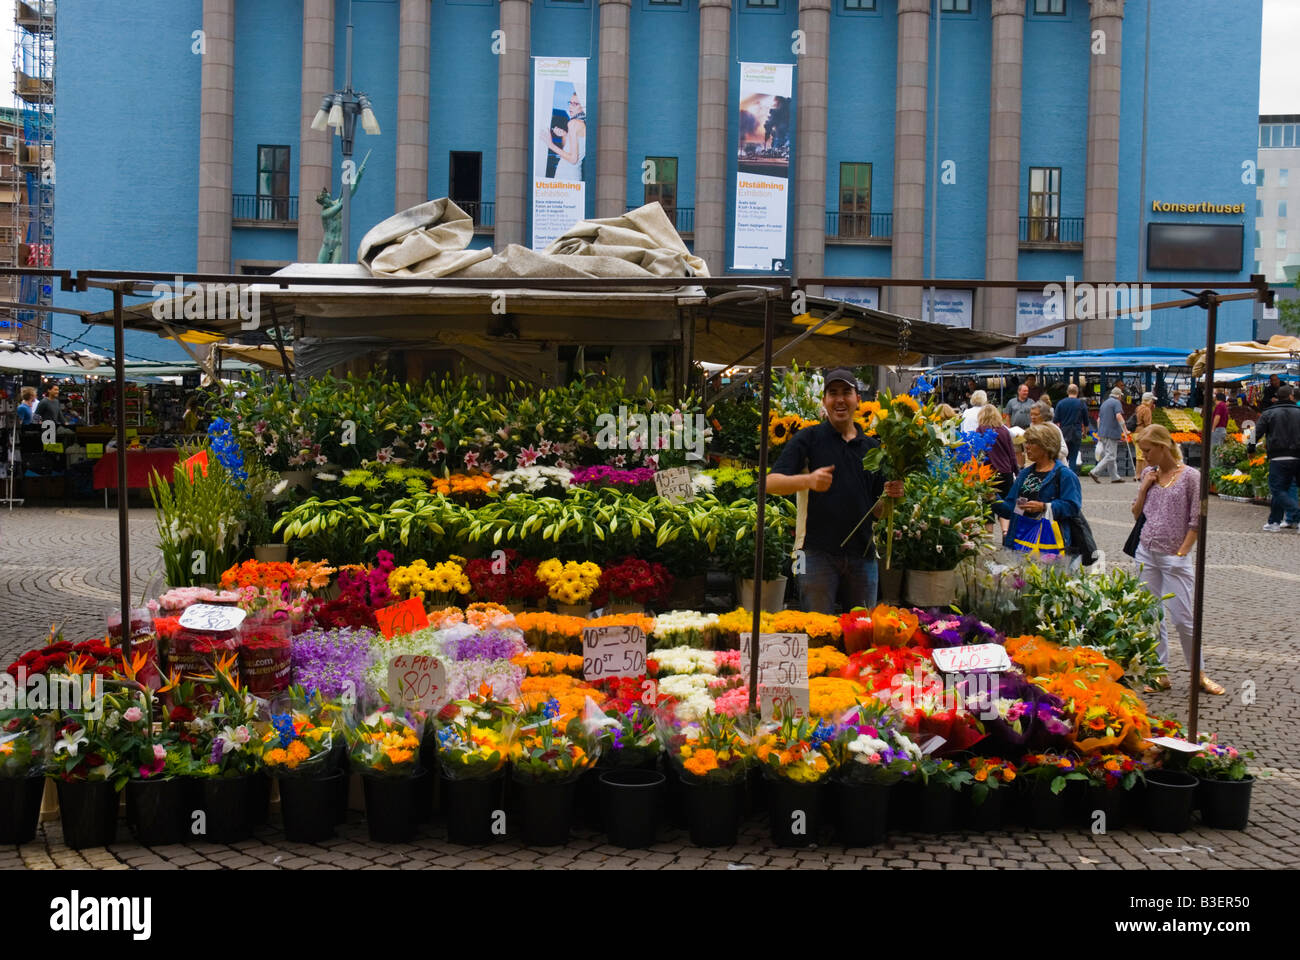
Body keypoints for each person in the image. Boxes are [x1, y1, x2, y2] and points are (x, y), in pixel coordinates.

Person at [767, 368, 904, 614]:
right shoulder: (808, 438)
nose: (839, 399)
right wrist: (807, 480)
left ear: (857, 400)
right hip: (812, 553)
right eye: (833, 393)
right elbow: (769, 483)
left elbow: (878, 513)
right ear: (825, 401)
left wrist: (890, 497)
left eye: (846, 392)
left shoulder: (872, 447)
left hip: (863, 556)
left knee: (862, 634)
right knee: (818, 633)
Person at [1130, 425, 1224, 696]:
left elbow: (1196, 521)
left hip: (1174, 555)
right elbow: (1137, 514)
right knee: (1150, 615)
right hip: (1146, 551)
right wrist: (1144, 488)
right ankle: (1159, 672)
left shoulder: (1190, 477)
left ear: (1162, 447)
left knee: (1183, 618)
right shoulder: (1149, 474)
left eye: (1147, 450)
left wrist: (1182, 553)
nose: (1144, 456)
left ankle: (1199, 673)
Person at [992, 424, 1084, 556]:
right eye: (1027, 442)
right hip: (1020, 540)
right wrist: (992, 497)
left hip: (1049, 542)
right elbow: (1010, 509)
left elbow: (1072, 506)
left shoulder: (1064, 475)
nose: (1027, 447)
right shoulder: (1024, 474)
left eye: (1032, 443)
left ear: (1047, 446)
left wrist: (1044, 507)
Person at [1251, 383, 1300, 531]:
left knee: (1277, 489)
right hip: (1297, 457)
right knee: (1284, 488)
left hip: (1278, 457)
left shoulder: (1268, 413)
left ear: (1277, 397)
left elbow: (1255, 433)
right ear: (1291, 396)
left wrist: (1250, 448)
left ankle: (1296, 514)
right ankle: (1274, 521)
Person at [978, 403, 1017, 533]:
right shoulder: (1004, 431)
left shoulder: (980, 430)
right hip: (1005, 471)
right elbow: (1011, 454)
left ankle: (989, 535)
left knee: (989, 505)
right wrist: (1016, 471)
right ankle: (1005, 532)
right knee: (1005, 505)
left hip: (988, 472)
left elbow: (978, 454)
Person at [543, 92, 587, 181]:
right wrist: (564, 135)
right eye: (570, 103)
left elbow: (573, 159)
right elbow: (567, 150)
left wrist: (550, 144)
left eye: (575, 104)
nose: (570, 106)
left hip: (567, 175)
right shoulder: (582, 123)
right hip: (572, 174)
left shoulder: (573, 123)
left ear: (583, 107)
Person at [1091, 386, 1128, 483]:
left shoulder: (1104, 403)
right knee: (1111, 455)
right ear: (1119, 395)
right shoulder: (1116, 403)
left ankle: (1114, 477)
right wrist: (1125, 429)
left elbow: (1098, 419)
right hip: (1111, 432)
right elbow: (1118, 415)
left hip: (1102, 432)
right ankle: (1095, 472)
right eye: (1121, 396)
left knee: (1109, 455)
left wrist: (1099, 431)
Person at [1054, 383, 1088, 475]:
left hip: (1064, 432)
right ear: (1077, 392)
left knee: (1063, 456)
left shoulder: (1061, 403)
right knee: (1073, 456)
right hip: (1076, 432)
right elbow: (1086, 422)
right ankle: (1071, 476)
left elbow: (1056, 420)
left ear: (1067, 392)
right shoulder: (1081, 404)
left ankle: (1061, 475)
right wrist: (1084, 433)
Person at [1029, 401, 1068, 466]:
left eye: (1036, 414)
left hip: (1056, 468)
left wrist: (1047, 454)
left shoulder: (1052, 429)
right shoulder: (1032, 428)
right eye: (1031, 414)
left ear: (1044, 415)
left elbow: (1064, 451)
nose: (1033, 417)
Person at [1133, 393, 1155, 476]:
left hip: (1135, 432)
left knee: (1139, 454)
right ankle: (1139, 475)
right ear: (1149, 401)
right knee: (1142, 455)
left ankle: (1138, 474)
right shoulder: (1146, 409)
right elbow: (1147, 424)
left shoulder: (1138, 408)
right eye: (1152, 400)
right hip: (1142, 433)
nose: (1153, 402)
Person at [1210, 391, 1229, 465]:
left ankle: (1214, 468)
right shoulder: (1224, 405)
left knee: (1214, 450)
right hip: (1222, 430)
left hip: (1218, 430)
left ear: (1216, 398)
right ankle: (1218, 466)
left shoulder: (1220, 406)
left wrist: (1213, 428)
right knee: (1219, 450)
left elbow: (1217, 417)